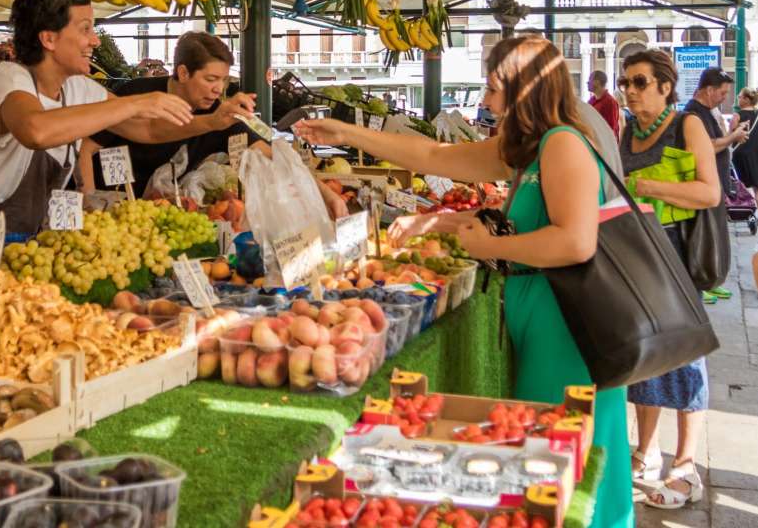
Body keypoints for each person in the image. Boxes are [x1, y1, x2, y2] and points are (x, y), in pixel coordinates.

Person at [292, 36, 632, 528]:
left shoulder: (563, 144)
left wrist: (491, 246)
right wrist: (347, 133)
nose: (488, 101)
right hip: (543, 312)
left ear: (526, 90)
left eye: (495, 88)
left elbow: (576, 243)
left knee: (563, 452)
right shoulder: (532, 148)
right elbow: (433, 155)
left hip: (567, 323)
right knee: (551, 450)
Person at [0, 0, 215, 251]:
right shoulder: (8, 80)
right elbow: (35, 131)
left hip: (6, 249)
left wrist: (215, 122)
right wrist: (134, 102)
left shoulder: (78, 88)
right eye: (85, 29)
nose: (95, 40)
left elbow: (147, 131)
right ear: (49, 39)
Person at [79, 32, 348, 218]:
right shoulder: (137, 95)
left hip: (158, 217)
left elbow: (274, 156)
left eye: (224, 81)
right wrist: (89, 205)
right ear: (183, 73)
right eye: (210, 79)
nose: (217, 89)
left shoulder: (221, 116)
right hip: (109, 210)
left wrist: (327, 196)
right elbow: (86, 147)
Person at [616, 49, 719, 509]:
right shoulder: (627, 132)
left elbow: (710, 191)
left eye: (640, 82)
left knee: (684, 354)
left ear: (665, 85)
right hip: (640, 252)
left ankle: (686, 465)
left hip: (677, 252)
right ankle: (646, 450)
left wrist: (648, 186)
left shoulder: (687, 125)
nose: (630, 91)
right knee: (646, 354)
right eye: (626, 83)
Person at [682, 66, 745, 302]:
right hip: (703, 187)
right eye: (722, 93)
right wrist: (733, 136)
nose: (724, 98)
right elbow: (708, 145)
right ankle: (702, 280)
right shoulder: (693, 113)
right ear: (709, 90)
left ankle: (712, 277)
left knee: (716, 234)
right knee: (704, 235)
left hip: (715, 184)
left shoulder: (706, 111)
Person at [732, 88, 758, 199]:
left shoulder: (737, 115)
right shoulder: (757, 115)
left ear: (746, 99)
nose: (738, 99)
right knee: (756, 185)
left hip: (739, 153)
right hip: (754, 154)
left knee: (740, 185)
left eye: (740, 97)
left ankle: (745, 208)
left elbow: (730, 132)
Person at [587, 70, 621, 140]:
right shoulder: (591, 101)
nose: (587, 82)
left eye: (590, 79)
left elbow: (611, 129)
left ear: (597, 82)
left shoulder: (610, 102)